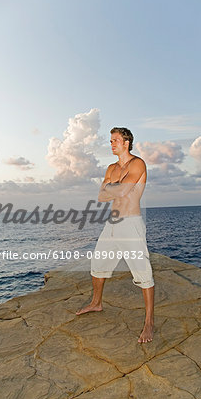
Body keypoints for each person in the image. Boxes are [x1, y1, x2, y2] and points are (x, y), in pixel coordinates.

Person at [76, 127, 154, 343]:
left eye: (115, 140)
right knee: (97, 264)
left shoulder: (138, 164)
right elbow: (101, 197)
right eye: (110, 141)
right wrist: (114, 187)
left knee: (142, 272)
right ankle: (96, 303)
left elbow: (120, 192)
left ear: (126, 142)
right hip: (111, 224)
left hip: (131, 224)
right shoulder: (111, 167)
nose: (111, 144)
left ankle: (149, 323)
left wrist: (112, 187)